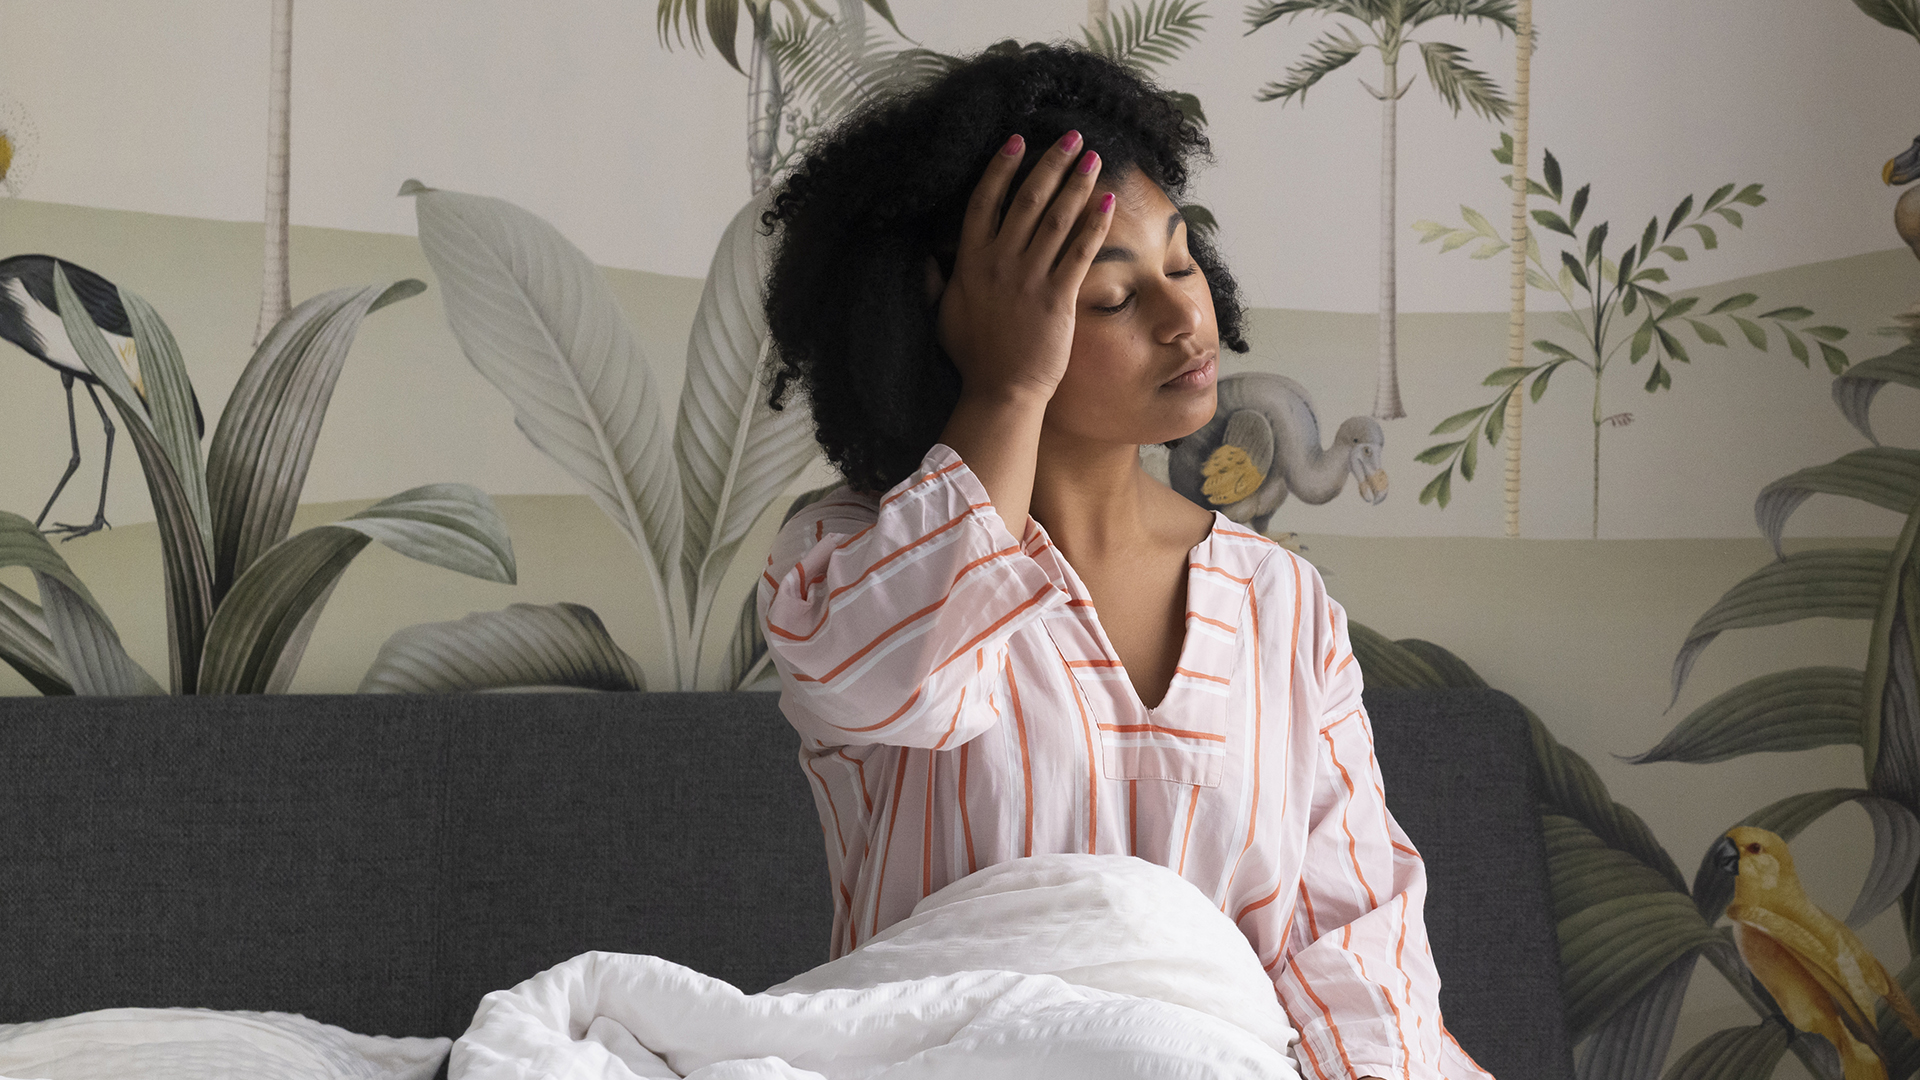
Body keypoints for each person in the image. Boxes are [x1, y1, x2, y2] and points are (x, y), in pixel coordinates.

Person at [756, 42, 1489, 1080]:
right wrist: (1004, 390)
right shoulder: (844, 565)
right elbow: (897, 684)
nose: (1186, 317)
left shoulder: (1282, 605)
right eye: (1109, 298)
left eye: (1183, 263)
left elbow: (1349, 941)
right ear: (955, 313)